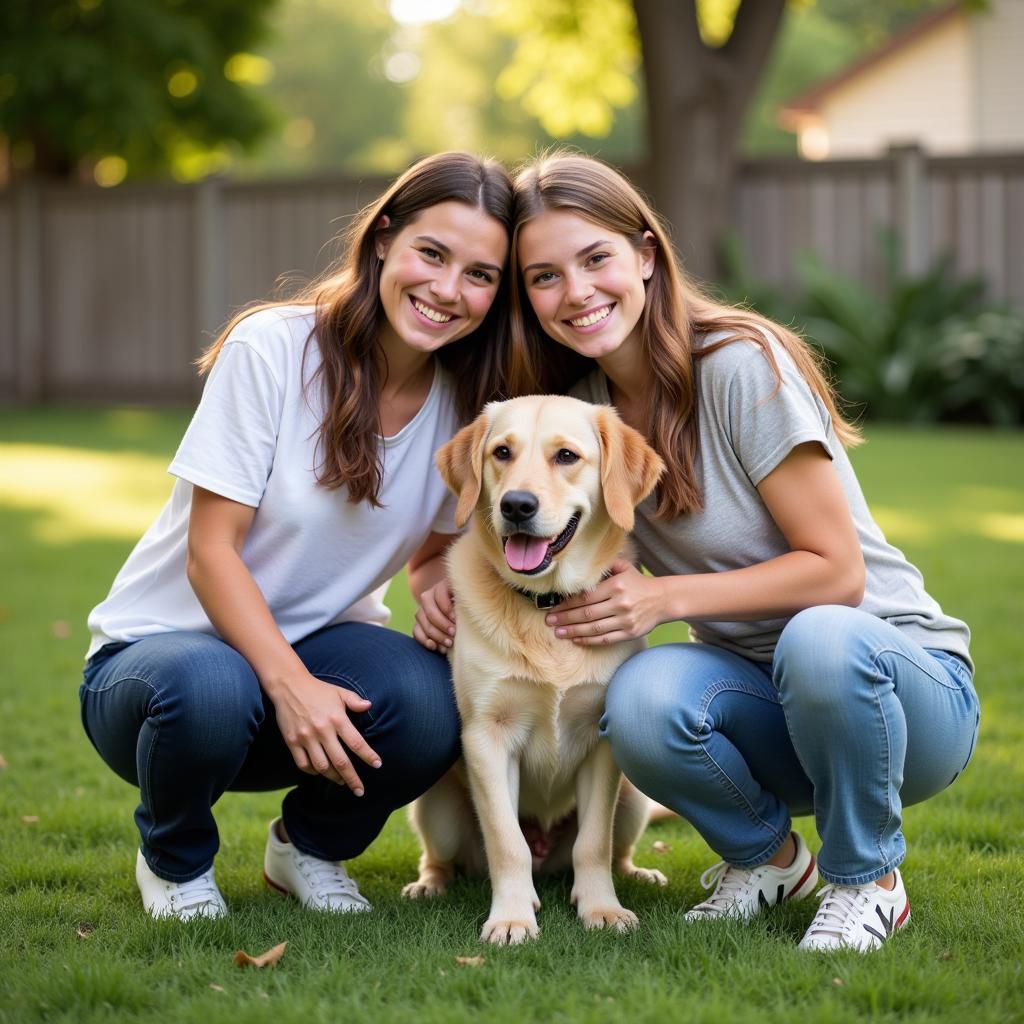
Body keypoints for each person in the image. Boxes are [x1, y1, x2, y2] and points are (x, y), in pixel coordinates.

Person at [504, 151, 978, 952]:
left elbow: (837, 572)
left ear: (646, 256)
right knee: (642, 697)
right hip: (766, 704)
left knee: (819, 635)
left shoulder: (739, 364)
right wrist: (432, 577)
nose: (576, 292)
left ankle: (868, 879)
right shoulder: (578, 417)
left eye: (596, 259)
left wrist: (664, 596)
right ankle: (768, 861)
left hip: (896, 691)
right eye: (544, 276)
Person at [79, 152, 514, 920]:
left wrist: (435, 587)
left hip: (320, 657)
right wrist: (291, 685)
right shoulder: (273, 349)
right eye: (432, 253)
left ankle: (307, 847)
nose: (449, 290)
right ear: (384, 238)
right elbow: (210, 551)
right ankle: (174, 862)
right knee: (213, 685)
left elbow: (430, 550)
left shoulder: (464, 403)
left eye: (480, 275)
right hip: (160, 672)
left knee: (433, 700)